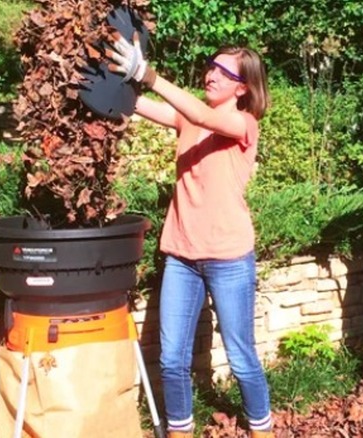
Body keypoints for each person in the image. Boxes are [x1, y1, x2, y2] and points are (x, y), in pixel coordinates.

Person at [108, 33, 274, 437]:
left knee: (241, 356)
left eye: (223, 70)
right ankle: (180, 431)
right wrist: (106, 76)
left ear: (242, 87)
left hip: (228, 257)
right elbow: (134, 104)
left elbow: (202, 116)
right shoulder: (188, 117)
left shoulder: (242, 123)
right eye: (210, 66)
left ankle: (262, 429)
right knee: (172, 359)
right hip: (181, 255)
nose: (211, 73)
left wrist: (147, 74)